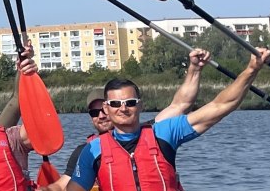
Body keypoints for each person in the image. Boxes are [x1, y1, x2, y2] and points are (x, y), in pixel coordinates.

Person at [50, 48, 270, 191]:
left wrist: (251, 69)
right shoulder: (92, 150)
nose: (123, 108)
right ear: (107, 109)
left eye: (129, 102)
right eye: (116, 104)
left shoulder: (164, 132)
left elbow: (218, 107)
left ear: (140, 105)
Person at [63, 48, 209, 175]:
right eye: (94, 113)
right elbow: (63, 189)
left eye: (104, 109)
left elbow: (181, 105)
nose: (101, 116)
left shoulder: (153, 134)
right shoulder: (85, 151)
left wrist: (194, 69)